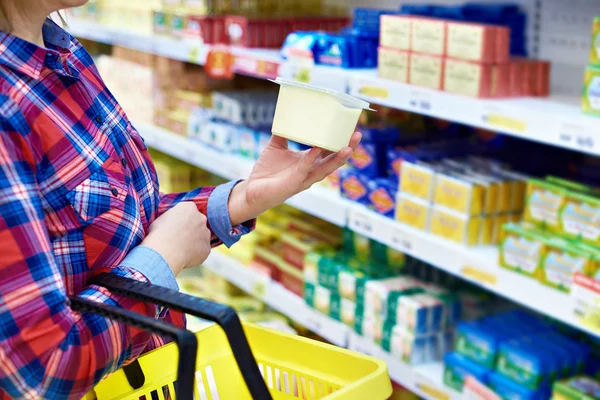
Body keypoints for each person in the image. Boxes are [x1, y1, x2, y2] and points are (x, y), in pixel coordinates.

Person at [0, 1, 361, 398]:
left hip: (150, 377)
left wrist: (244, 198)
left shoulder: (62, 53)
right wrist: (162, 261)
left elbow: (119, 219)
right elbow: (39, 374)